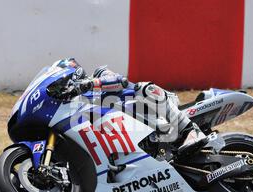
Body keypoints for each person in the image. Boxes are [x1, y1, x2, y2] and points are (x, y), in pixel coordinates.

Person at [55, 58, 209, 155]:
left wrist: (90, 84)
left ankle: (191, 131)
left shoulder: (97, 75)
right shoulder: (80, 103)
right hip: (138, 128)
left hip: (157, 106)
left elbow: (120, 80)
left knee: (143, 88)